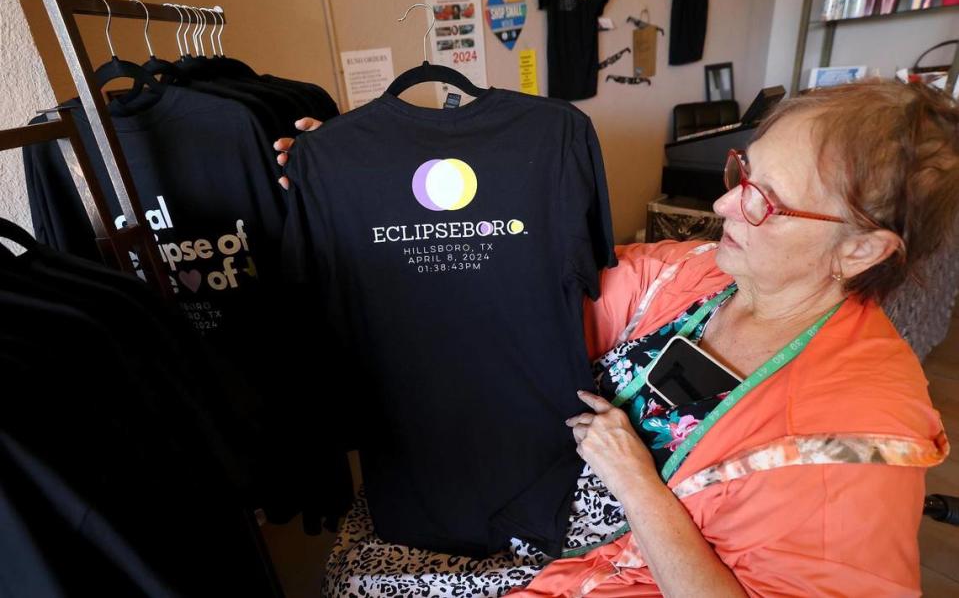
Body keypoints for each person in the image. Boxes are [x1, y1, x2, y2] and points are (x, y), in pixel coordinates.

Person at [274, 80, 957, 596]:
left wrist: (636, 482)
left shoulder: (857, 439)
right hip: (531, 494)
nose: (721, 206)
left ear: (863, 248)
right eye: (739, 172)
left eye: (764, 201)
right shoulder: (693, 276)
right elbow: (518, 287)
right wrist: (366, 184)